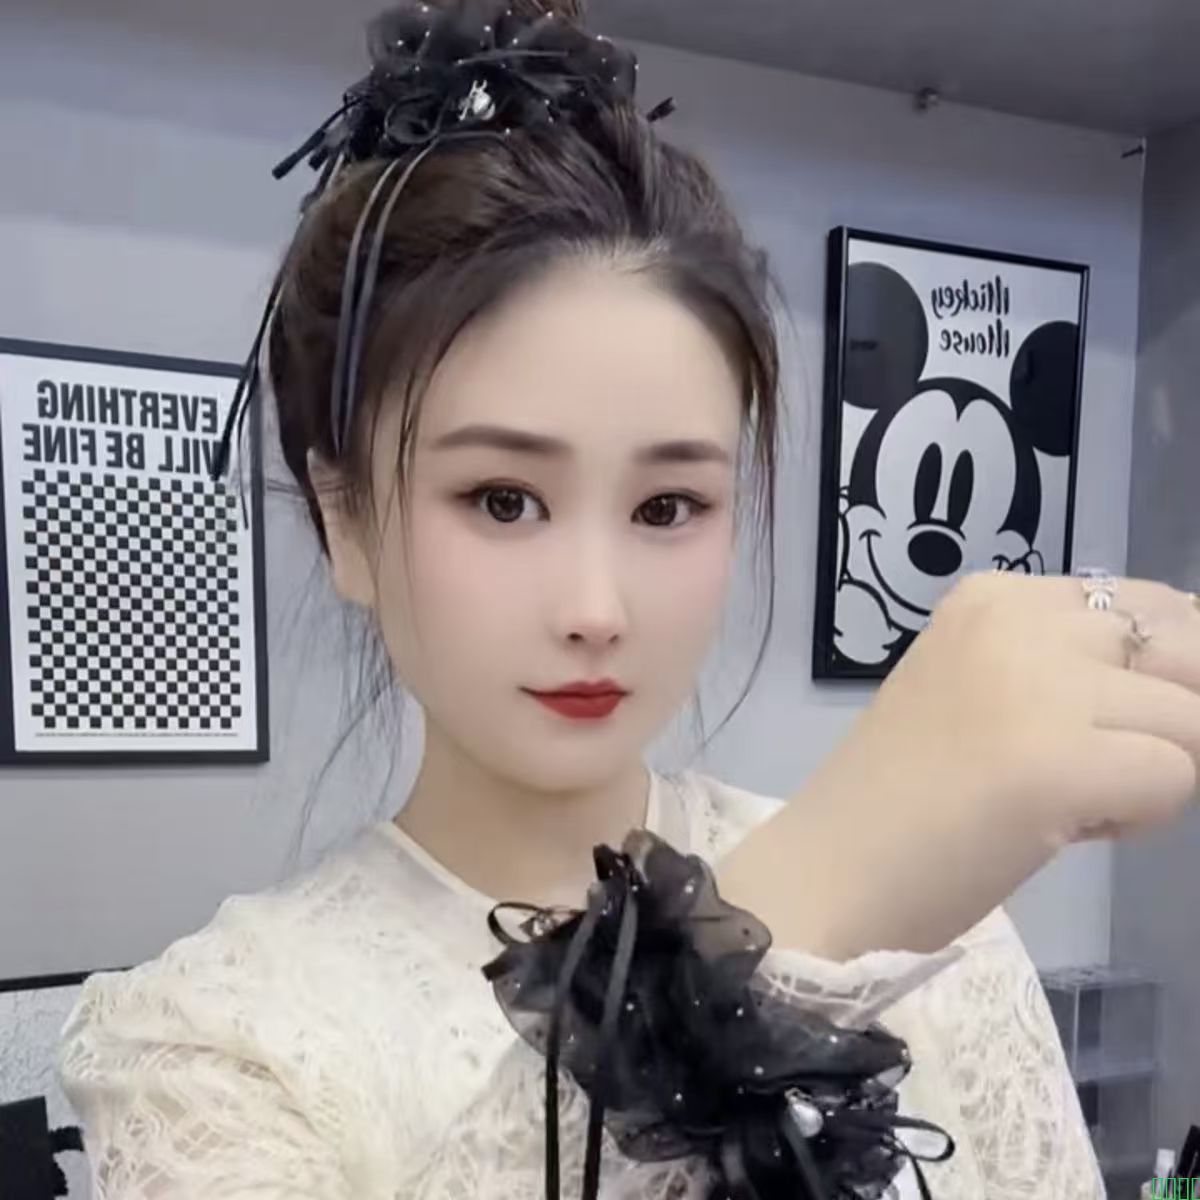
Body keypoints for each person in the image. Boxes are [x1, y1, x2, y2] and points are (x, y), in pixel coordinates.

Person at [58, 1, 1200, 1197]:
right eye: (503, 500)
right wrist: (789, 939)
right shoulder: (207, 1048)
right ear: (344, 520)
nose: (596, 608)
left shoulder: (936, 924)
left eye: (667, 507)